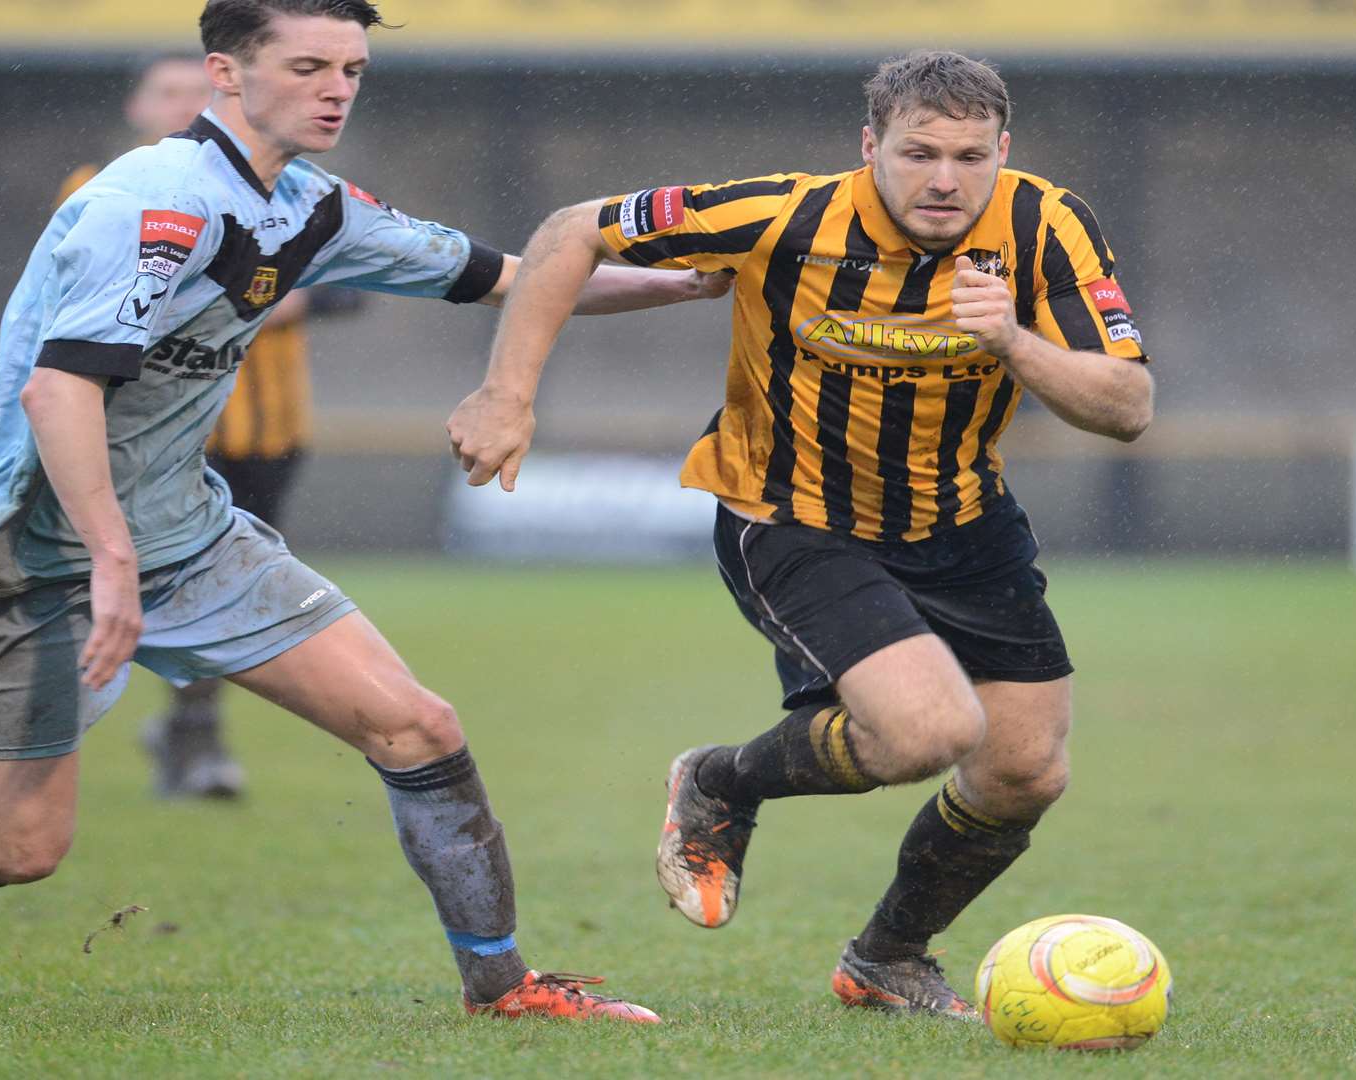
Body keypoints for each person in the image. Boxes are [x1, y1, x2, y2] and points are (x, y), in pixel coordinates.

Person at [0, 0, 731, 1022]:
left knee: (415, 726)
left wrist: (695, 280)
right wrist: (108, 561)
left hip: (187, 537)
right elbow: (59, 390)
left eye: (352, 71)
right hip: (28, 553)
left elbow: (514, 278)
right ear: (226, 73)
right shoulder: (156, 202)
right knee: (11, 850)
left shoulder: (316, 206)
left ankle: (504, 988)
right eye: (309, 67)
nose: (335, 91)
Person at [447, 50, 1153, 1018]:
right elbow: (573, 232)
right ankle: (719, 783)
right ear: (871, 147)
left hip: (964, 519)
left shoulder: (1046, 223)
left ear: (1003, 152)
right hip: (793, 514)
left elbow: (1125, 407)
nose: (944, 178)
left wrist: (1014, 341)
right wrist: (506, 392)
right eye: (918, 153)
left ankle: (887, 960)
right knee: (926, 733)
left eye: (969, 156)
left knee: (1024, 770)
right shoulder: (783, 213)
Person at [59, 52, 360, 799]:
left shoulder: (290, 191)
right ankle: (169, 739)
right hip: (155, 433)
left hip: (269, 428)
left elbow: (356, 286)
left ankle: (192, 731)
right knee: (144, 580)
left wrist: (292, 298)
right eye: (167, 92)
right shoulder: (105, 187)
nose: (183, 104)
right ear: (136, 107)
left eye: (199, 92)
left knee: (232, 590)